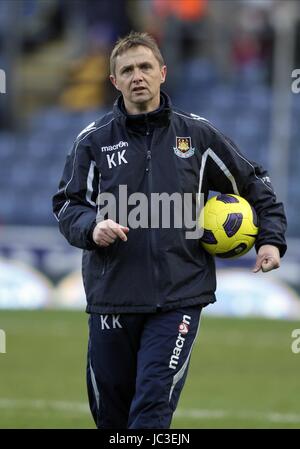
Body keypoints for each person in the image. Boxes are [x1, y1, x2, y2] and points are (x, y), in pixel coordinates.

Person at [52, 31, 287, 429]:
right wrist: (92, 226)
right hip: (112, 300)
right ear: (114, 81)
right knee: (111, 419)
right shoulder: (93, 142)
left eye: (145, 67)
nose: (137, 75)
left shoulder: (197, 136)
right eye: (126, 70)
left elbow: (255, 184)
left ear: (162, 73)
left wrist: (270, 239)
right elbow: (67, 204)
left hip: (178, 299)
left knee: (151, 412)